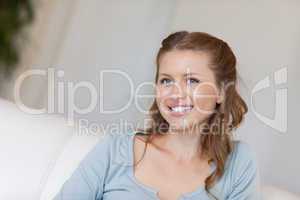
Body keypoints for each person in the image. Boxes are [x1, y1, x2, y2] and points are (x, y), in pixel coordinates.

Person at [54, 31, 261, 200]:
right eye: (166, 81)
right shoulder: (115, 149)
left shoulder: (238, 164)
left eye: (192, 81)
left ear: (221, 92)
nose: (175, 94)